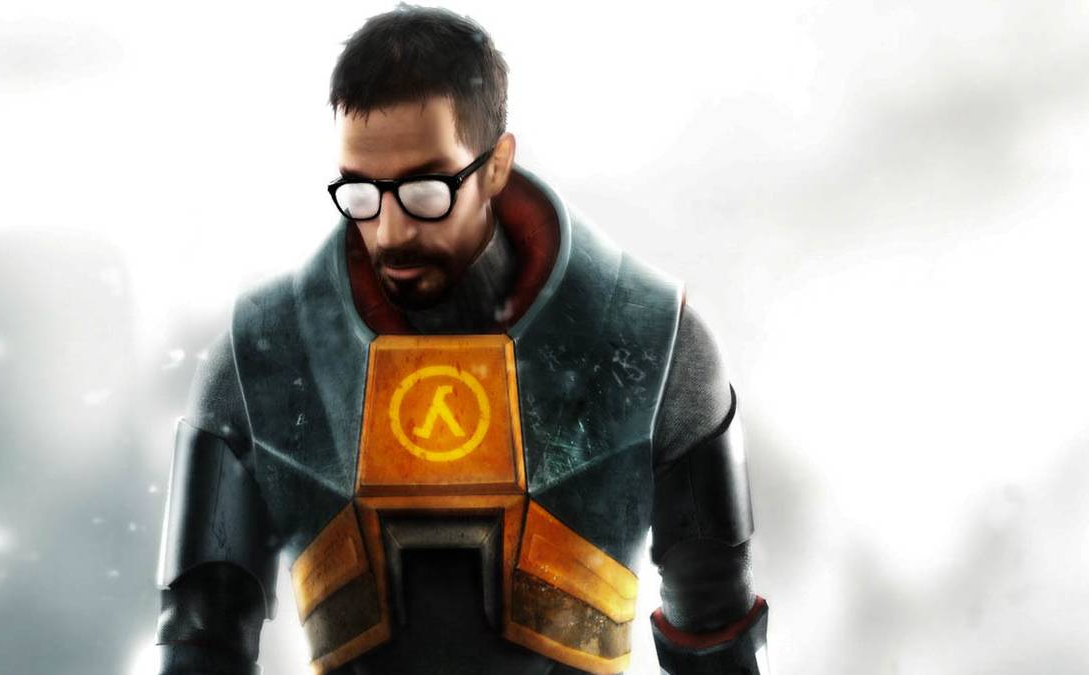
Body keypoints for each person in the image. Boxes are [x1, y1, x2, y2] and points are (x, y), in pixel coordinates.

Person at [154, 5, 769, 674]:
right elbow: (199, 643)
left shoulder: (656, 339)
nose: (389, 232)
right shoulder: (262, 355)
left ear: (497, 165)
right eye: (360, 192)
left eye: (425, 190)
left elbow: (717, 632)